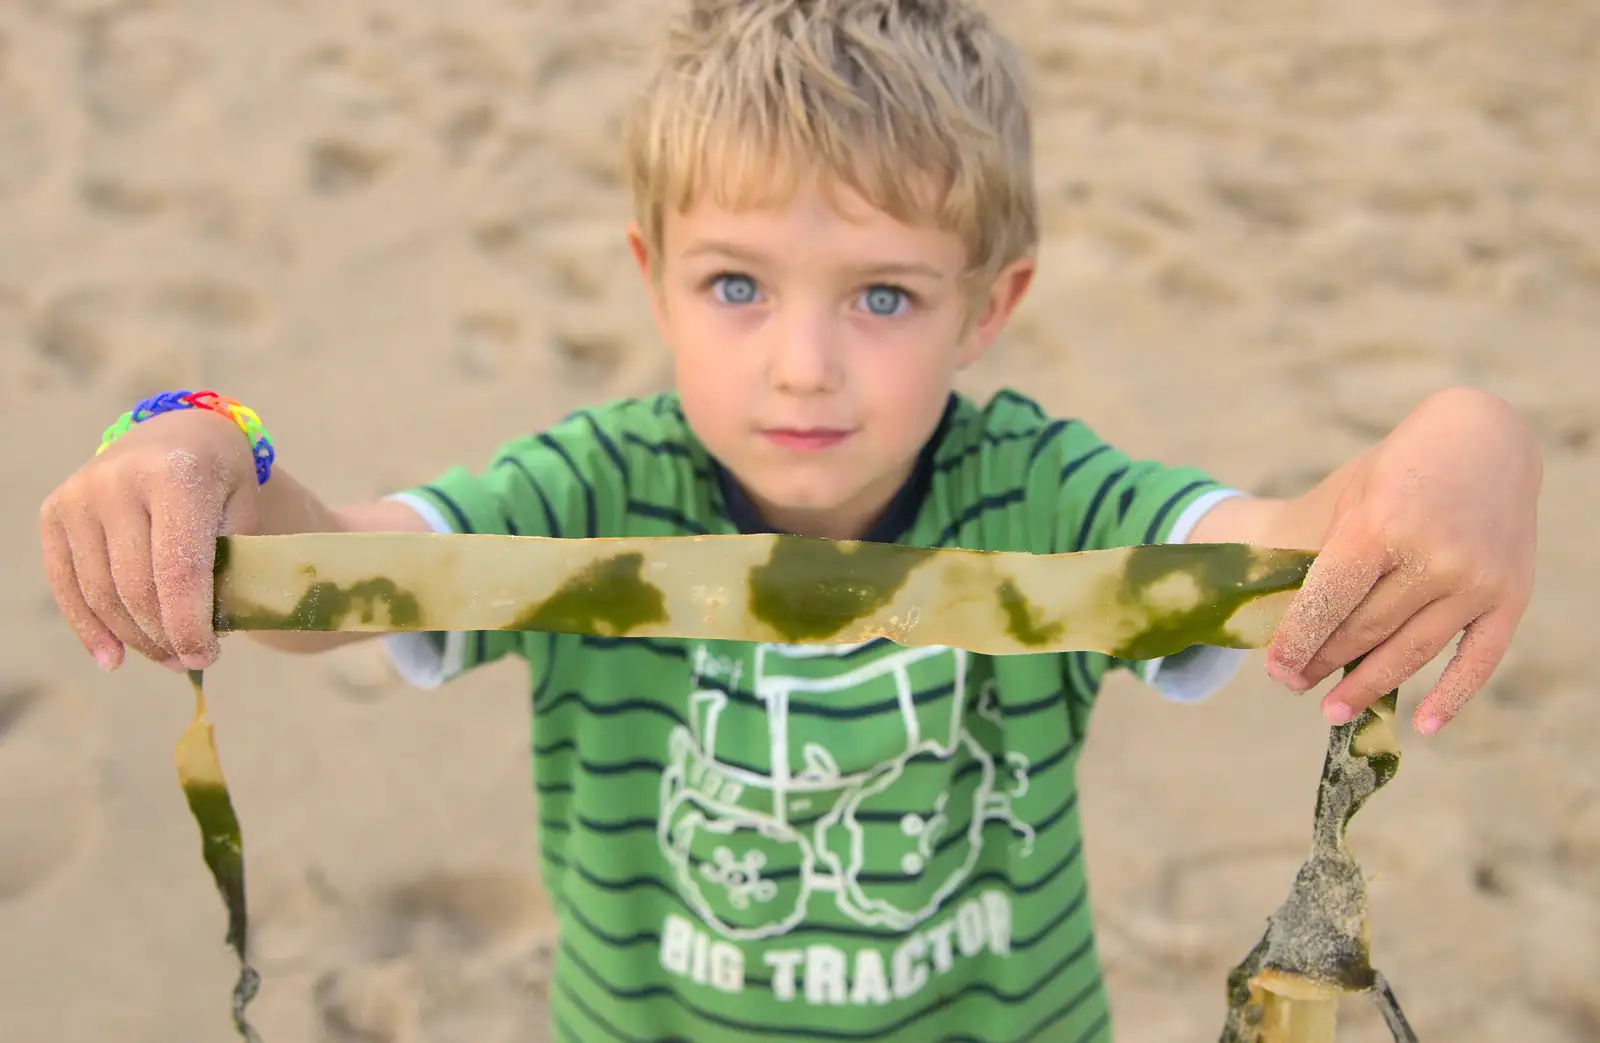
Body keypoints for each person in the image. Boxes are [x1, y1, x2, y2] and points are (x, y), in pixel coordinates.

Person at [37, 0, 1541, 1039]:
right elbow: (329, 568)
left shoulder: (1044, 497)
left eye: (883, 295)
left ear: (988, 305)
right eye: (737, 285)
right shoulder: (591, 489)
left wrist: (1471, 439)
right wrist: (184, 438)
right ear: (652, 275)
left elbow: (1298, 539)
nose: (804, 362)